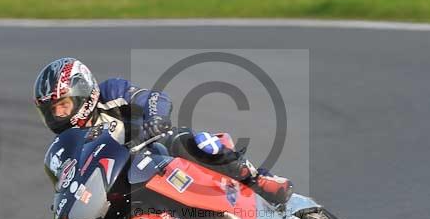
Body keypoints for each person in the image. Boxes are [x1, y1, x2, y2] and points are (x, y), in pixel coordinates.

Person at [33, 57, 294, 204]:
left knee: (186, 141)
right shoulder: (66, 147)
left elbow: (155, 98)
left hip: (157, 153)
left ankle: (256, 178)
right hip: (127, 187)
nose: (58, 115)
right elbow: (68, 189)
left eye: (62, 105)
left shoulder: (111, 92)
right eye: (51, 110)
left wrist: (155, 119)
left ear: (82, 92)